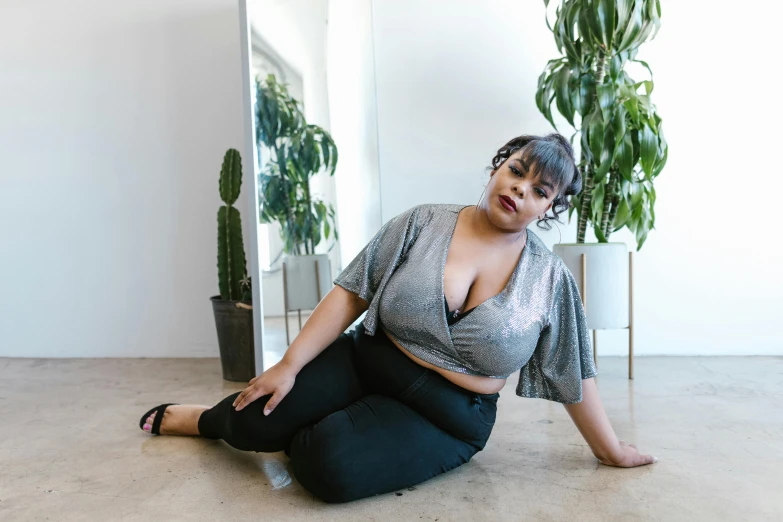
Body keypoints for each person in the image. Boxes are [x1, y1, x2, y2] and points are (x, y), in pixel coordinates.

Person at [138, 133, 657, 504]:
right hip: (369, 362)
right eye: (517, 170)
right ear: (497, 167)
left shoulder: (550, 279)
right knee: (251, 419)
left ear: (550, 208)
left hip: (450, 414)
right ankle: (203, 418)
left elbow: (574, 371)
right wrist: (291, 365)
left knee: (327, 469)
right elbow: (350, 294)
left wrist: (609, 449)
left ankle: (320, 428)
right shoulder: (422, 223)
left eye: (540, 190)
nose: (521, 188)